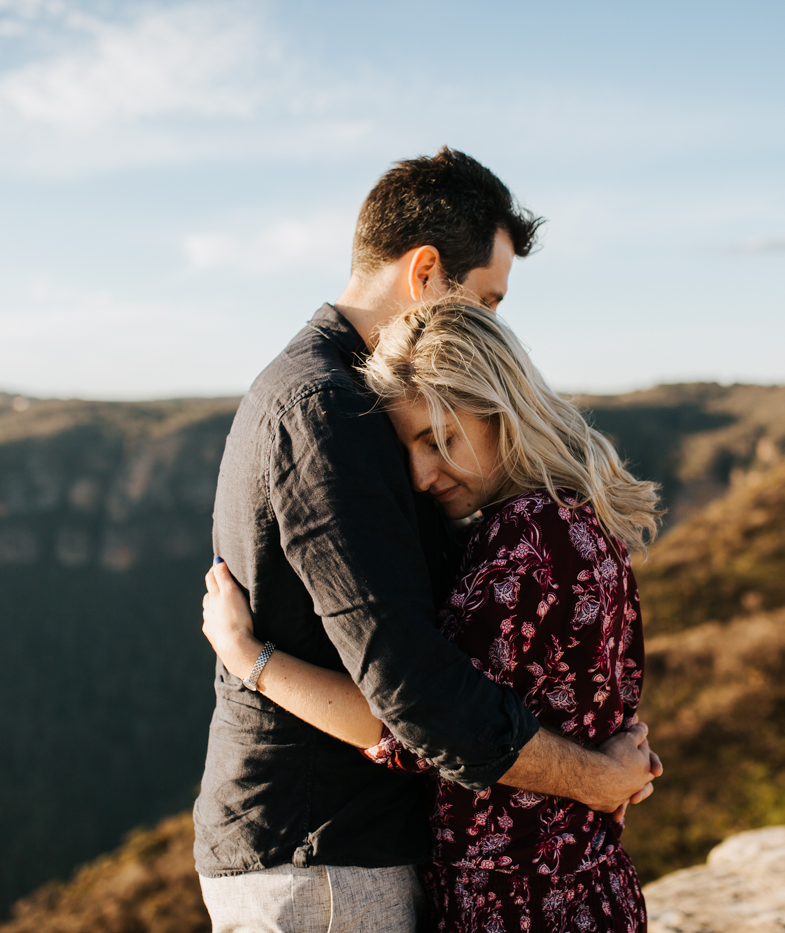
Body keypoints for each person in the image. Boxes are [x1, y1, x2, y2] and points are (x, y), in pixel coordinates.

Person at [192, 148, 661, 933]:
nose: (489, 326)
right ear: (425, 271)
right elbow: (413, 693)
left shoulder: (357, 406)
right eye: (485, 299)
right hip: (327, 850)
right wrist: (596, 778)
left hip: (351, 849)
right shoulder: (329, 410)